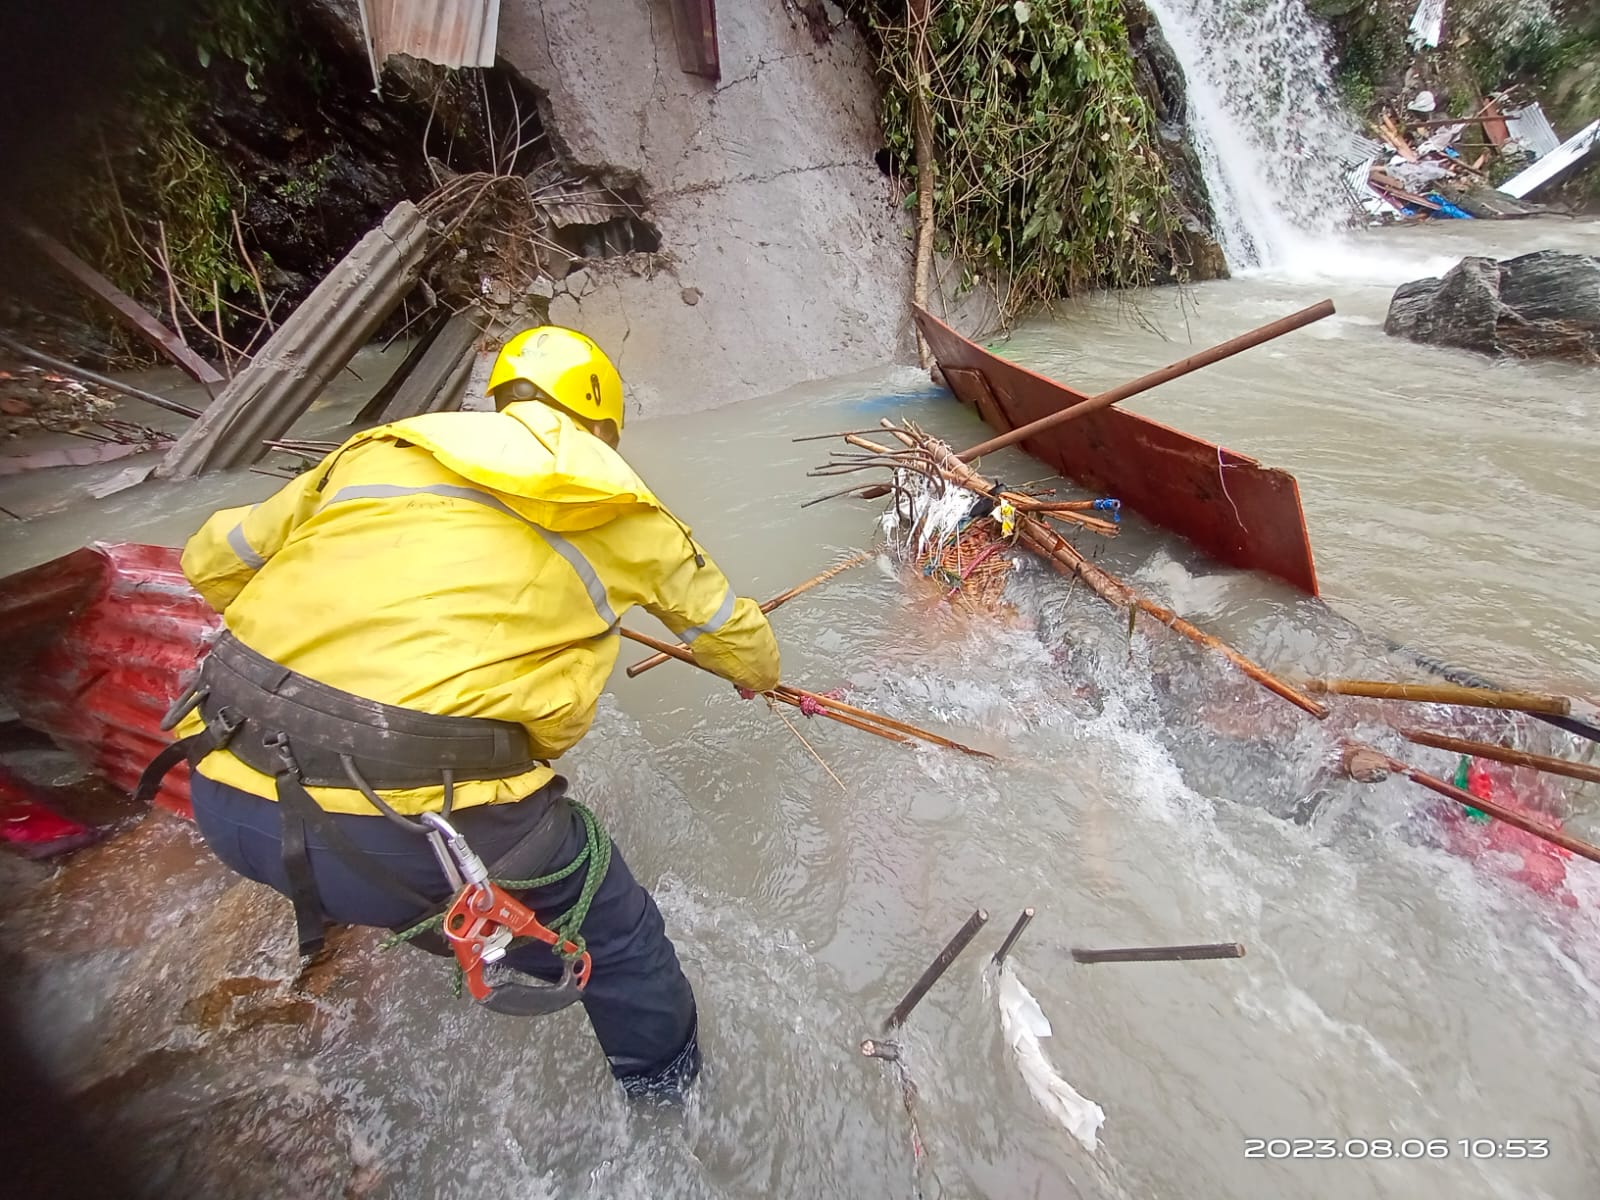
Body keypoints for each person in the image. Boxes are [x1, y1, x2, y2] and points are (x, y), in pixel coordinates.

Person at [147, 325, 780, 1098]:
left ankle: (357, 923)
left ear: (502, 394)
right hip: (414, 833)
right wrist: (761, 679)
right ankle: (673, 1099)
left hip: (221, 784)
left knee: (351, 820)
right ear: (604, 426)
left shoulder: (382, 450)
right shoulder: (624, 507)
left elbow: (211, 561)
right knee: (617, 937)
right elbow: (736, 640)